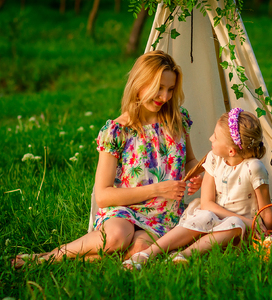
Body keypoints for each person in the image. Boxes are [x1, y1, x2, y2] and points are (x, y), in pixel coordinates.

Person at [13, 51, 202, 268]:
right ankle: (48, 257)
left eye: (170, 89)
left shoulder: (178, 120)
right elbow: (102, 196)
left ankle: (58, 262)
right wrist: (158, 189)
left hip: (163, 214)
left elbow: (189, 162)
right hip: (124, 208)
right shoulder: (117, 131)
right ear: (139, 84)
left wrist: (195, 175)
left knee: (139, 251)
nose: (165, 97)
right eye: (159, 88)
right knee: (116, 238)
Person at [123, 108, 272, 269]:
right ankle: (147, 254)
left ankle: (181, 255)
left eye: (215, 137)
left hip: (237, 232)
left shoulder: (254, 167)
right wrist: (247, 222)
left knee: (235, 223)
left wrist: (266, 234)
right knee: (205, 215)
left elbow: (266, 210)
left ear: (231, 151)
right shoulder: (214, 158)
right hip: (214, 220)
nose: (210, 138)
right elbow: (207, 204)